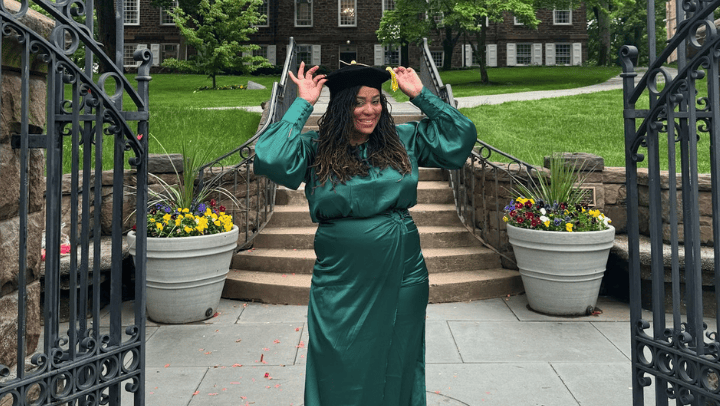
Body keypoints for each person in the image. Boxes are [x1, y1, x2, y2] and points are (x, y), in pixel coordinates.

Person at [253, 61, 477, 405]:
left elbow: (460, 138)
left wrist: (421, 96)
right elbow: (270, 156)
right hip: (342, 277)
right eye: (358, 102)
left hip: (404, 270)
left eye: (376, 101)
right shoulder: (315, 148)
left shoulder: (405, 139)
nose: (369, 110)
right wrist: (303, 104)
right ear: (343, 107)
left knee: (398, 355)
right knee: (339, 357)